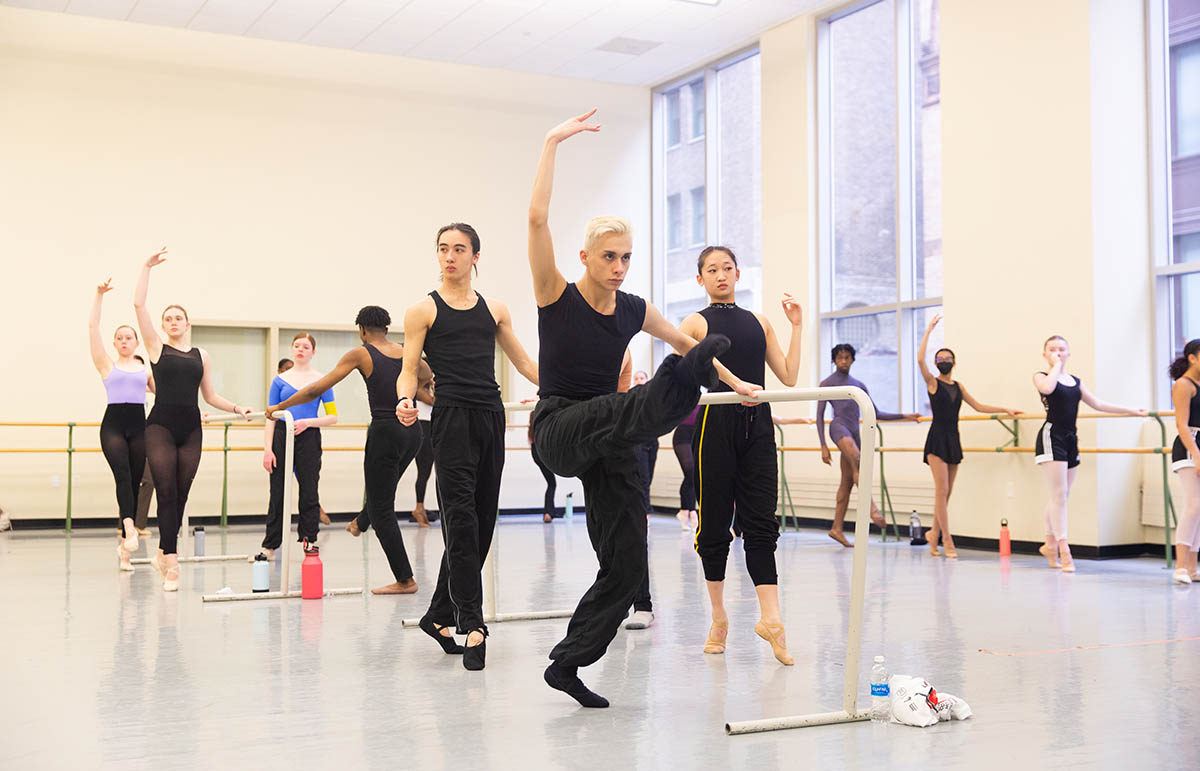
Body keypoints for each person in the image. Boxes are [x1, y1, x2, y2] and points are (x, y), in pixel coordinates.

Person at [527, 110, 755, 708]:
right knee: (633, 401)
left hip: (612, 435)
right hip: (559, 427)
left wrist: (737, 384)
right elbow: (536, 218)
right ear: (584, 256)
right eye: (609, 257)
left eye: (626, 257)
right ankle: (677, 387)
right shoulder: (556, 294)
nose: (619, 267)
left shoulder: (633, 307)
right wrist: (553, 140)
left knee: (627, 568)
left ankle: (569, 664)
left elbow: (688, 343)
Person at [396, 222, 539, 670]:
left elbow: (523, 361)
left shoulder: (494, 309)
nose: (449, 256)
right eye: (443, 249)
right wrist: (404, 398)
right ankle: (472, 623)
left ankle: (438, 615)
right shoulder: (423, 311)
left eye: (459, 249)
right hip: (451, 418)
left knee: (481, 524)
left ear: (476, 256)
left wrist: (566, 387)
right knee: (459, 520)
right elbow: (409, 369)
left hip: (490, 417)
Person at [680, 246, 804, 665]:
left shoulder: (759, 322)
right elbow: (685, 361)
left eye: (727, 268)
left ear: (738, 273)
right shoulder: (696, 322)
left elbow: (787, 376)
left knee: (761, 522)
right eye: (711, 270)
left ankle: (773, 619)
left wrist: (797, 326)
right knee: (713, 524)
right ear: (700, 279)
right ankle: (718, 617)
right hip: (715, 423)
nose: (720, 275)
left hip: (759, 425)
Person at [269, 306, 429, 594]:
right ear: (387, 327)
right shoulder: (405, 349)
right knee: (384, 489)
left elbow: (317, 389)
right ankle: (360, 522)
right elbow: (427, 372)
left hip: (384, 430)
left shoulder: (361, 353)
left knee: (382, 507)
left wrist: (279, 407)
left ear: (362, 330)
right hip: (413, 431)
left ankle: (405, 579)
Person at [133, 248, 251, 592]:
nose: (172, 322)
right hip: (160, 427)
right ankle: (171, 561)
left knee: (180, 494)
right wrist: (147, 268)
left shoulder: (203, 355)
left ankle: (162, 549)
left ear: (187, 323)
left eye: (177, 318)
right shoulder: (156, 348)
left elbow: (210, 395)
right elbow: (139, 307)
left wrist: (236, 408)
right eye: (167, 318)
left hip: (191, 428)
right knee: (165, 489)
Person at [1034, 335, 1144, 572]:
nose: (1058, 352)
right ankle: (1064, 550)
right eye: (1052, 349)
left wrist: (1130, 410)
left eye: (1062, 349)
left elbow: (1098, 403)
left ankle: (1049, 543)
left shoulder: (1075, 381)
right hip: (1051, 436)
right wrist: (1055, 367)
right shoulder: (1042, 376)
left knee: (1062, 495)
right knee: (1059, 494)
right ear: (1045, 355)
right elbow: (1047, 389)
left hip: (1070, 438)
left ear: (1069, 353)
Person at [916, 314, 1018, 558]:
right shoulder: (933, 383)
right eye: (940, 359)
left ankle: (932, 536)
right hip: (937, 440)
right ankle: (946, 541)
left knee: (946, 493)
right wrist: (929, 330)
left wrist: (1005, 409)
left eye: (947, 359)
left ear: (954, 362)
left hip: (953, 438)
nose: (944, 362)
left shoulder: (958, 387)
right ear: (936, 362)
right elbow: (920, 359)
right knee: (941, 492)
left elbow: (979, 406)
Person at [817, 344, 920, 547]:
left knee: (846, 482)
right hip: (838, 428)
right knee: (858, 460)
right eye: (840, 358)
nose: (844, 361)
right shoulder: (827, 383)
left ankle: (836, 528)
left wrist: (905, 416)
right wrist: (822, 445)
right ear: (834, 360)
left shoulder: (858, 385)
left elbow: (876, 413)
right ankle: (872, 508)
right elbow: (819, 416)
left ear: (853, 360)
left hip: (855, 433)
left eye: (847, 357)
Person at [253, 333, 338, 561]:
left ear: (313, 352)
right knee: (278, 492)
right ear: (292, 349)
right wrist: (267, 449)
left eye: (306, 346)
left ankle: (309, 541)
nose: (301, 349)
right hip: (281, 436)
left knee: (309, 491)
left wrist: (308, 422)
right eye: (297, 346)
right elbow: (270, 416)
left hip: (308, 436)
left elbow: (333, 417)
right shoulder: (279, 380)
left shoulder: (322, 381)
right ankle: (270, 547)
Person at [90, 278, 155, 572]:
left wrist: (195, 413)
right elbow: (93, 329)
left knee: (135, 480)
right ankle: (129, 527)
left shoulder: (145, 370)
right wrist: (99, 296)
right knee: (123, 476)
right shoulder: (107, 364)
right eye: (120, 338)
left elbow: (168, 396)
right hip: (114, 427)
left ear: (137, 342)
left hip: (138, 427)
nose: (125, 341)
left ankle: (124, 551)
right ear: (115, 343)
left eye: (129, 337)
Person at [626, 365, 657, 631]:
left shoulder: (644, 411)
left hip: (635, 450)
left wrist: (644, 504)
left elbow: (647, 466)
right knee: (605, 540)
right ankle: (615, 603)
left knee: (636, 537)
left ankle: (643, 604)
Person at [1169, 339, 1200, 584]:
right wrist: (1197, 454)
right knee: (1194, 505)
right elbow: (1181, 424)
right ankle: (1180, 566)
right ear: (1192, 357)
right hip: (1190, 445)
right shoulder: (1183, 385)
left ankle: (1192, 566)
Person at [409, 376, 435, 527]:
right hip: (423, 429)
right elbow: (434, 401)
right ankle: (419, 508)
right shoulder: (417, 389)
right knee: (423, 471)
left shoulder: (428, 389)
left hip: (433, 427)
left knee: (428, 471)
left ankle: (421, 508)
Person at [673, 406, 701, 530]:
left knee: (695, 475)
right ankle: (688, 511)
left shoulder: (709, 391)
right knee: (690, 473)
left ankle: (688, 511)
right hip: (683, 434)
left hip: (697, 433)